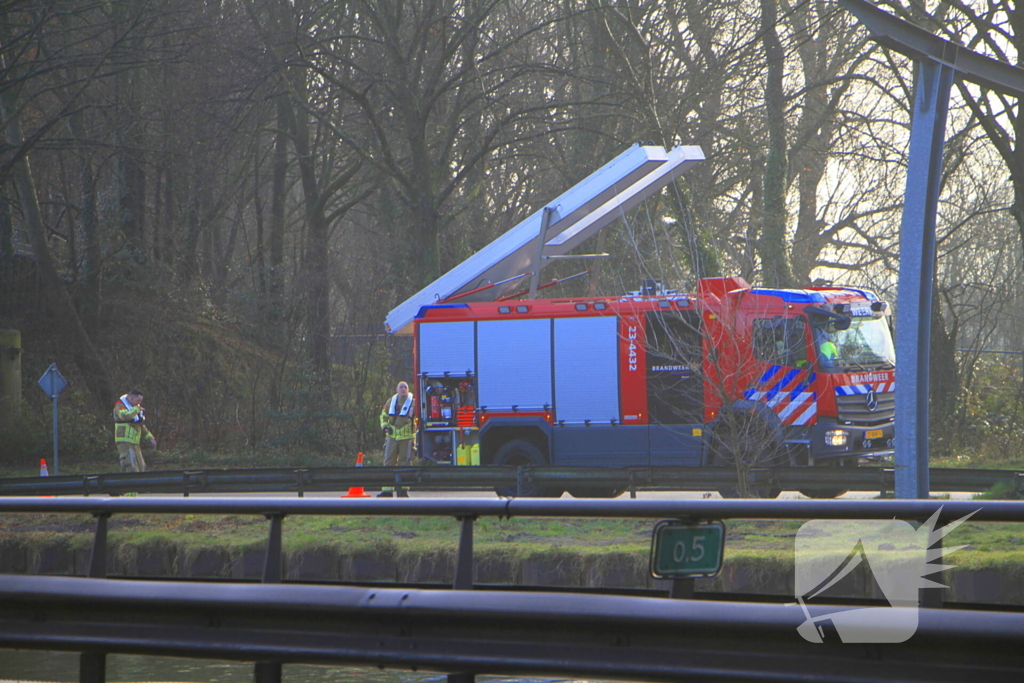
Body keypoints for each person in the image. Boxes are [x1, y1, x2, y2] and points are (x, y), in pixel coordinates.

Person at [378, 381, 416, 497]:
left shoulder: (414, 403)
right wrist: (384, 426)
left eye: (405, 387)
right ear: (397, 389)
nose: (403, 389)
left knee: (405, 463)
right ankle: (387, 490)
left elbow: (418, 418)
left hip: (407, 438)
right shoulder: (390, 402)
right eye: (401, 387)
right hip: (392, 437)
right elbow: (383, 416)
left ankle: (402, 491)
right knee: (388, 462)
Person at [113, 389, 156, 473]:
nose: (139, 403)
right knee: (130, 465)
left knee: (141, 466)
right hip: (124, 441)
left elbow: (140, 425)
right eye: (138, 400)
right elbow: (124, 416)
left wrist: (150, 438)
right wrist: (136, 409)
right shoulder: (120, 405)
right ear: (132, 398)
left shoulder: (134, 408)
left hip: (135, 442)